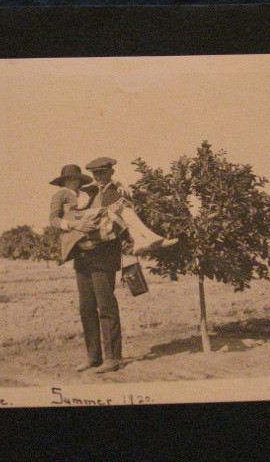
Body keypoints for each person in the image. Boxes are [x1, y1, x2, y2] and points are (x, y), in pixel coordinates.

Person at [49, 158, 176, 373]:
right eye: (96, 173)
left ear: (111, 173)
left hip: (103, 256)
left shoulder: (118, 192)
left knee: (106, 306)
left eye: (103, 173)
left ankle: (113, 358)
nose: (99, 177)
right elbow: (57, 218)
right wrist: (75, 224)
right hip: (82, 257)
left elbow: (124, 210)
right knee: (86, 308)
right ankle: (93, 357)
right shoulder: (86, 192)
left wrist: (118, 185)